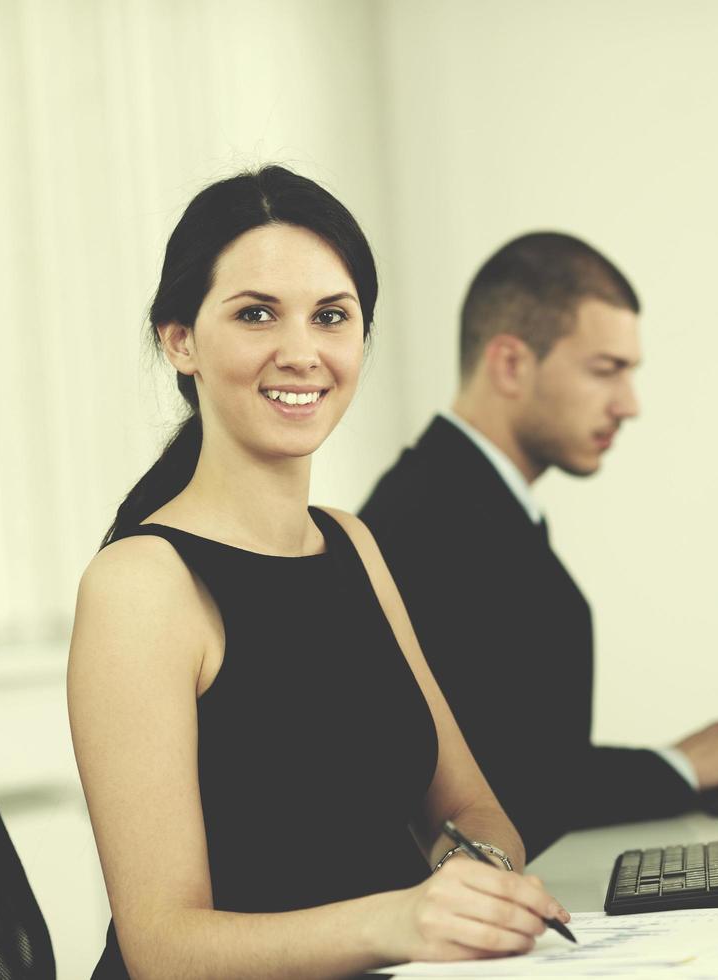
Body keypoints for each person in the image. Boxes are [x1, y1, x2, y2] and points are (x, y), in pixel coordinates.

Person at [67, 168, 570, 979]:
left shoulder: (353, 544)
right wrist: (401, 920)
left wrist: (477, 887)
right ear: (180, 340)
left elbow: (473, 809)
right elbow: (160, 946)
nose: (301, 352)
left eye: (332, 317)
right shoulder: (142, 586)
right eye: (257, 313)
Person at [359, 232, 718, 860]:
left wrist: (677, 764)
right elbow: (505, 786)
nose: (630, 405)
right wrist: (676, 768)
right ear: (510, 364)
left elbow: (522, 752)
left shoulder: (461, 498)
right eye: (606, 371)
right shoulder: (436, 525)